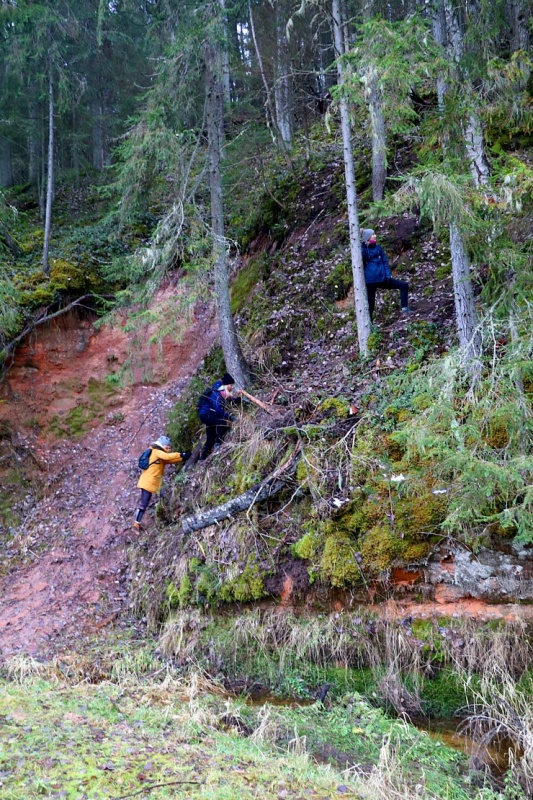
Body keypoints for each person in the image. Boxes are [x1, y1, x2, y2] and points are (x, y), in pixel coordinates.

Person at [134, 435, 190, 529]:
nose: (169, 448)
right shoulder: (157, 452)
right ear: (163, 445)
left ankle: (166, 513)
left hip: (153, 481)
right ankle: (136, 524)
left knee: (160, 496)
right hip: (149, 481)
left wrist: (182, 458)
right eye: (167, 446)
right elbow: (167, 456)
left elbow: (170, 460)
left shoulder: (158, 454)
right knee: (144, 503)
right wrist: (181, 454)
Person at [361, 229, 410, 321]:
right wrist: (364, 245)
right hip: (371, 281)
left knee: (404, 285)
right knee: (370, 304)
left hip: (383, 279)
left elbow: (385, 262)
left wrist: (388, 276)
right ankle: (369, 324)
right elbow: (361, 264)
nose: (375, 236)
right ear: (368, 237)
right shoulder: (363, 249)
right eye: (373, 234)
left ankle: (404, 310)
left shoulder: (378, 248)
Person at [197, 372, 239, 461]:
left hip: (206, 415)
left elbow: (228, 400)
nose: (232, 387)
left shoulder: (220, 392)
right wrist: (230, 417)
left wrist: (238, 400)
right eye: (231, 385)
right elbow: (218, 409)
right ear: (226, 385)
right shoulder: (216, 394)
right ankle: (218, 443)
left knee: (210, 437)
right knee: (223, 422)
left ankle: (202, 458)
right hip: (206, 414)